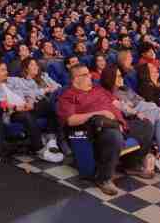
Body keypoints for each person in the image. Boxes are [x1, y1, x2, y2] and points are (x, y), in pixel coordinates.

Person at [57, 64, 154, 196]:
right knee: (114, 136)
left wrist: (135, 113)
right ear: (75, 79)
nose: (90, 76)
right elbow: (70, 120)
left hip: (120, 124)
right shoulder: (68, 96)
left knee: (146, 126)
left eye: (89, 73)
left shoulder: (98, 89)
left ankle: (131, 165)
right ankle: (104, 179)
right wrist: (97, 113)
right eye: (85, 74)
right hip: (98, 129)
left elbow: (116, 104)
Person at [100, 64, 160, 179]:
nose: (121, 78)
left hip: (145, 107)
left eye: (121, 76)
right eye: (118, 76)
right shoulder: (109, 94)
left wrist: (141, 106)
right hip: (136, 114)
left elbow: (140, 100)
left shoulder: (125, 88)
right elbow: (125, 109)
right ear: (110, 78)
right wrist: (135, 109)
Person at [0, 61, 63, 163]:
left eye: (6, 69)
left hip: (26, 106)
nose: (7, 72)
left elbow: (29, 91)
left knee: (50, 105)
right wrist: (15, 107)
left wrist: (30, 101)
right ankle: (40, 150)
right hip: (10, 113)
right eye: (3, 70)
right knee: (25, 116)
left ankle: (51, 140)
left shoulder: (13, 80)